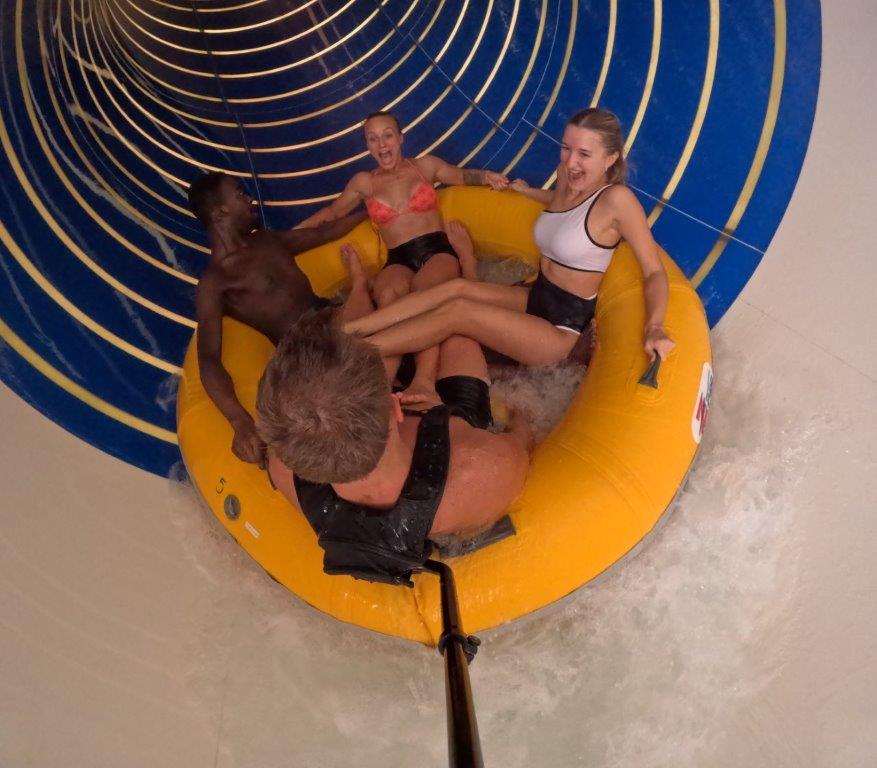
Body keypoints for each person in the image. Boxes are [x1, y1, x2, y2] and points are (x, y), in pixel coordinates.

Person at [342, 108, 676, 367]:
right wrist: (527, 191)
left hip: (560, 329)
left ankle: (347, 348)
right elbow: (563, 208)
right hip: (536, 297)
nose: (571, 162)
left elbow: (654, 272)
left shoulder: (618, 201)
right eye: (566, 149)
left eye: (584, 155)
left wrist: (655, 326)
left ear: (611, 158)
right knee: (456, 289)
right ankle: (351, 329)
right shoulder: (567, 180)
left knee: (460, 312)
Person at [256, 311, 533, 584]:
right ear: (395, 405)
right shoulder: (482, 467)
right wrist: (520, 406)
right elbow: (523, 432)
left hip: (416, 448)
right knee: (459, 339)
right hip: (457, 436)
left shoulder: (282, 469)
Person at [295, 111, 510, 403]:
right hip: (398, 257)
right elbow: (333, 213)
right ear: (367, 145)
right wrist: (290, 235)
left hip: (436, 249)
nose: (382, 144)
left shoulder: (426, 166)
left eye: (387, 136)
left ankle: (423, 381)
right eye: (373, 139)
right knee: (387, 294)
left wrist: (488, 178)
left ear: (400, 138)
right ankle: (382, 386)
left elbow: (460, 176)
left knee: (425, 294)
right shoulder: (364, 182)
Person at [188, 171, 371, 467]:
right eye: (238, 194)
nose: (249, 200)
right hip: (305, 351)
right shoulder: (216, 281)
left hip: (334, 317)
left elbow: (320, 234)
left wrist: (370, 213)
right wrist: (239, 420)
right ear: (220, 211)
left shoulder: (265, 241)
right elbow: (209, 358)